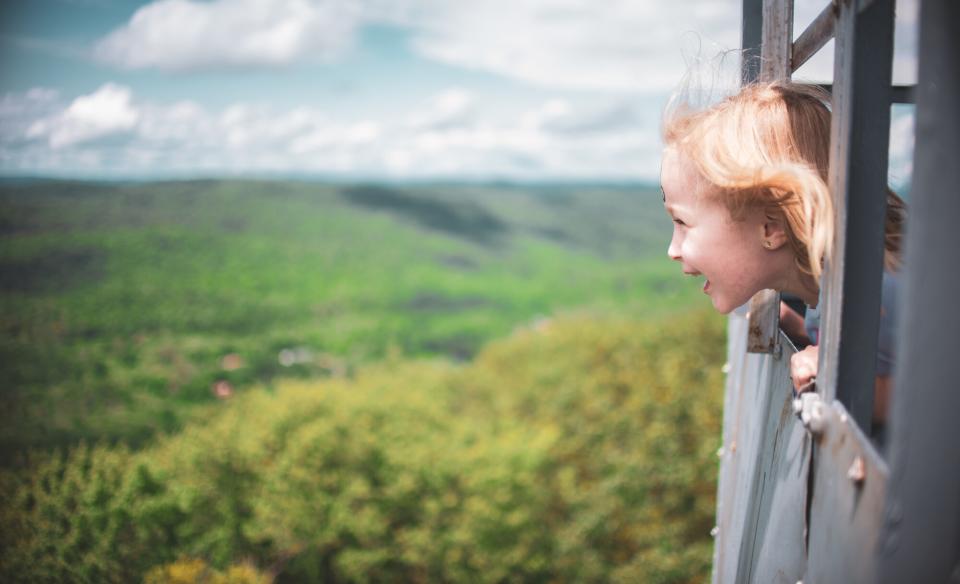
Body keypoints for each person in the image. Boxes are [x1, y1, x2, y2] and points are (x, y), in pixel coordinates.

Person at [659, 80, 905, 427]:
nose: (672, 249)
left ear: (771, 228)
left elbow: (933, 395)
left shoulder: (881, 291)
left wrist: (841, 378)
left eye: (682, 222)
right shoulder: (830, 291)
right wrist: (799, 330)